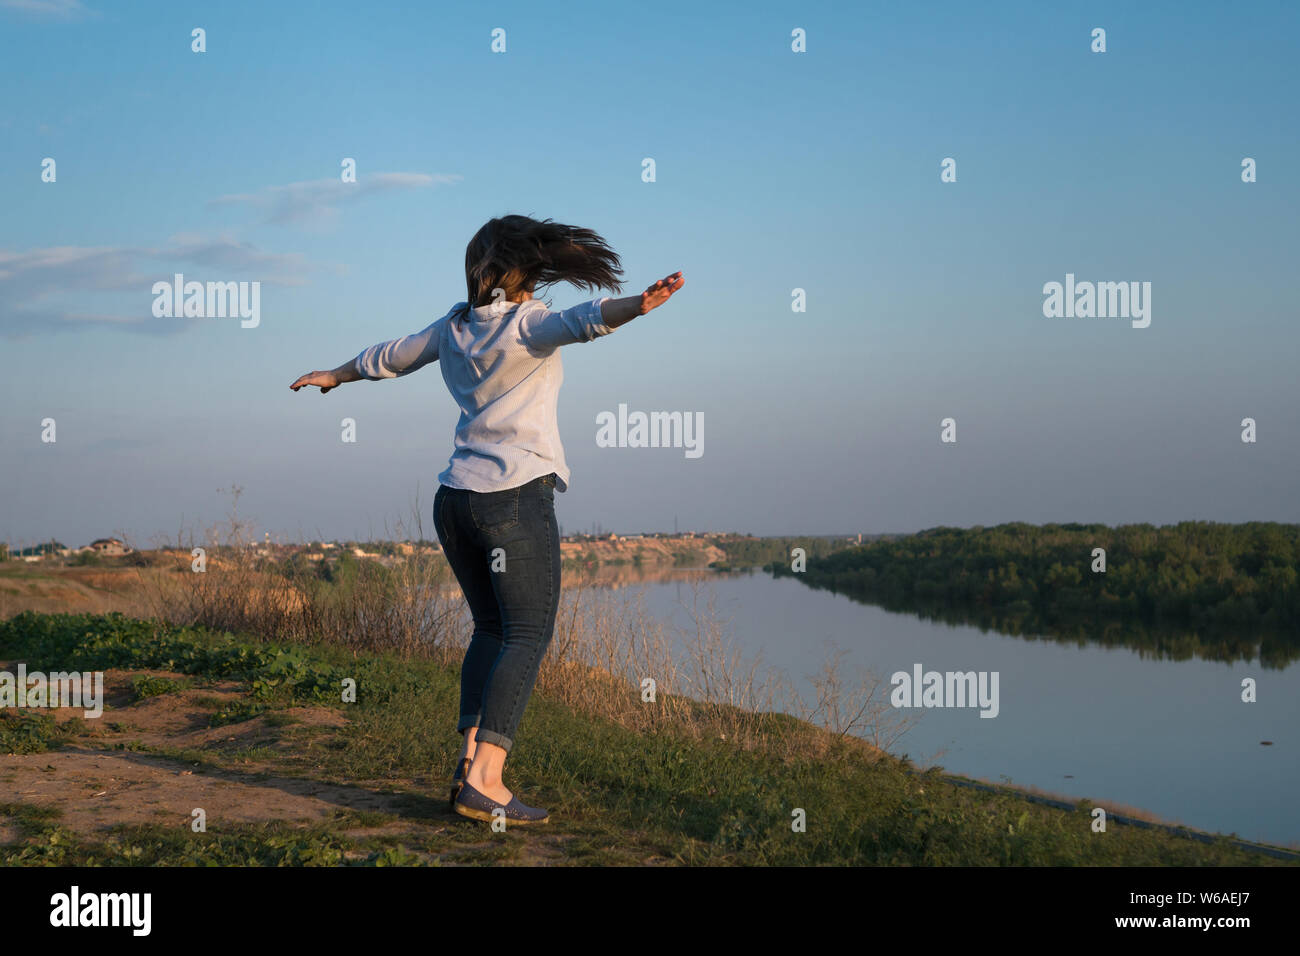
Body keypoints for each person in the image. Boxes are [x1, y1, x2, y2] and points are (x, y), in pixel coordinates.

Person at [290, 214, 685, 825]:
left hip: (455, 501)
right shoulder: (527, 325)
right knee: (526, 633)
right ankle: (486, 779)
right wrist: (640, 305)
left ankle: (467, 765)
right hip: (514, 495)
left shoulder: (453, 326)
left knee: (492, 630)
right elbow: (582, 321)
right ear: (523, 270)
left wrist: (335, 376)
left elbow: (389, 357)